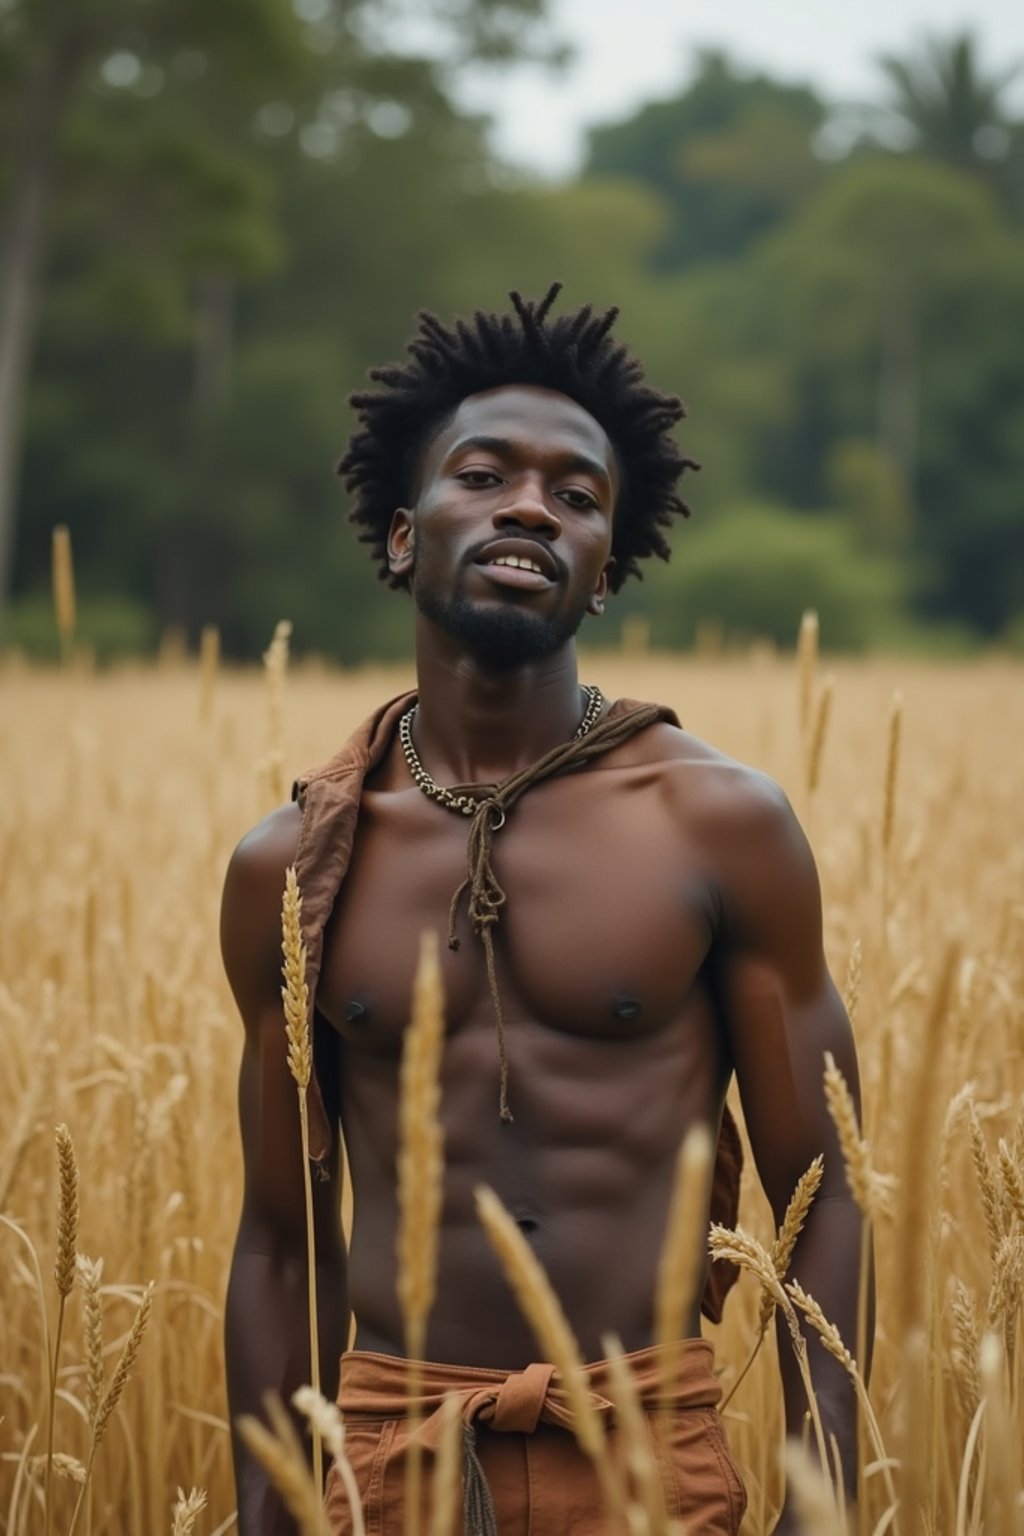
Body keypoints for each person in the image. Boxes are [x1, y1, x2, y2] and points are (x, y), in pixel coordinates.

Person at [221, 284, 869, 1536]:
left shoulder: (719, 826)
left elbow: (823, 1190)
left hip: (643, 1450)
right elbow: (278, 1237)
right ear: (404, 536)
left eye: (577, 497)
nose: (531, 504)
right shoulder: (293, 863)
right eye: (486, 474)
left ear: (604, 572)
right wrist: (271, 1493)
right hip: (389, 1451)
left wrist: (821, 1487)